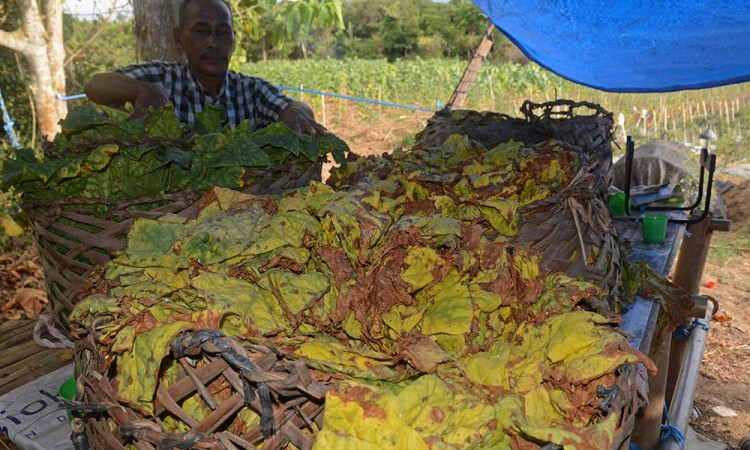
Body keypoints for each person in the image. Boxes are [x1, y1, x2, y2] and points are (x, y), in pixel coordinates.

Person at [84, 0, 326, 136]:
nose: (213, 42)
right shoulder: (161, 78)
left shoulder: (251, 91)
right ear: (179, 38)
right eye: (201, 31)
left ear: (233, 39)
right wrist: (143, 91)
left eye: (222, 33)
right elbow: (95, 85)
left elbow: (293, 106)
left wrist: (298, 112)